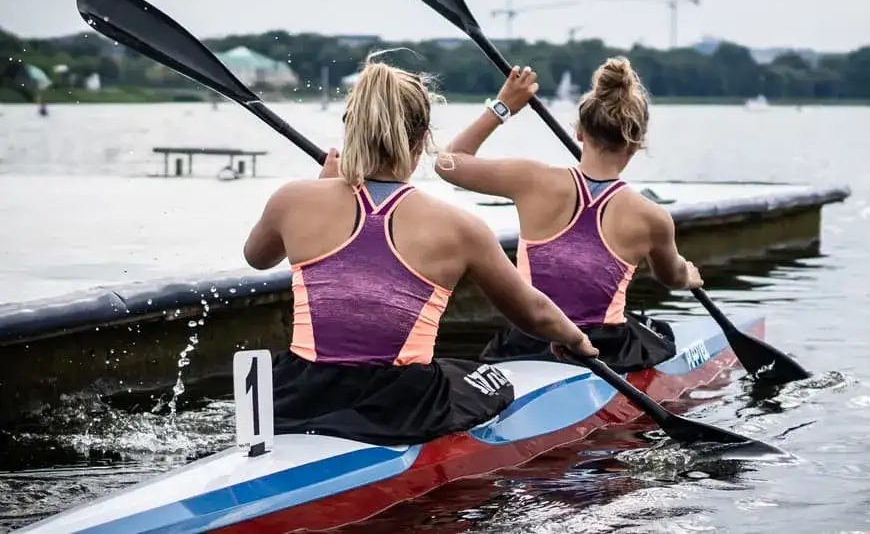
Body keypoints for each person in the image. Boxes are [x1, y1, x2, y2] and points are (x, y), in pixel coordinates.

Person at [242, 51, 597, 447]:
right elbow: (532, 311)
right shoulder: (459, 226)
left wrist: (320, 184)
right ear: (422, 139)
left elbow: (257, 257)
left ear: (350, 131)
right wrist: (578, 340)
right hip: (399, 407)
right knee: (492, 377)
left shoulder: (291, 199)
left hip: (296, 395)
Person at [434, 57, 703, 373]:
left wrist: (503, 106)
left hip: (530, 342)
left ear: (579, 132)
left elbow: (447, 163)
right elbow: (671, 277)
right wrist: (689, 274)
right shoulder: (652, 217)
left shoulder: (531, 179)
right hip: (608, 350)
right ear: (636, 144)